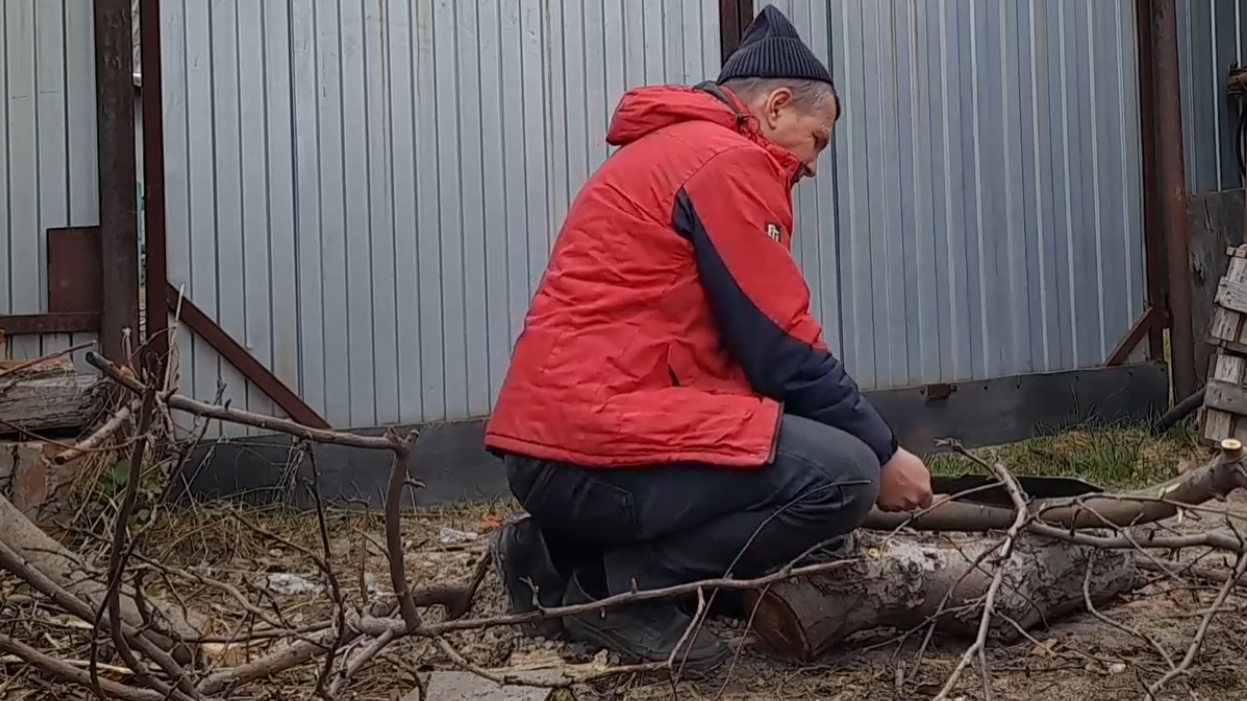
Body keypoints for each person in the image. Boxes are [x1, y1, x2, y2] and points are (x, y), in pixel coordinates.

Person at [484, 6, 933, 674]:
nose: (810, 166)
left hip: (556, 449)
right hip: (589, 450)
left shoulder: (670, 153)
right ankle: (625, 591)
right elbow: (780, 347)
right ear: (777, 106)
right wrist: (883, 450)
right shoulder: (726, 162)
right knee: (842, 479)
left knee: (805, 455)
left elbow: (741, 354)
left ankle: (553, 551)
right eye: (816, 139)